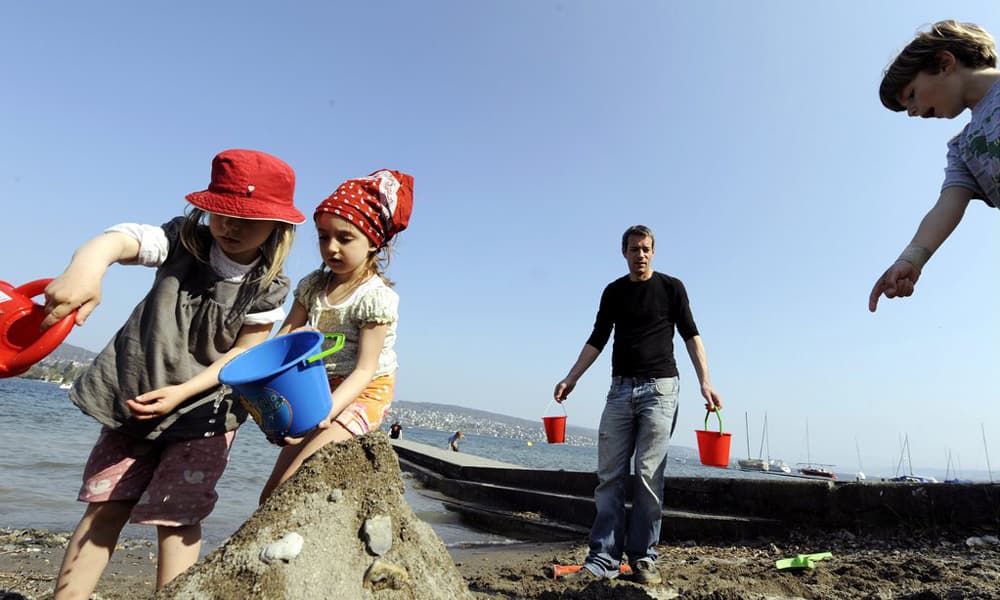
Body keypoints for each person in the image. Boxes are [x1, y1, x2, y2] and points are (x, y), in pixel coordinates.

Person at [41, 149, 303, 598]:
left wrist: (184, 392)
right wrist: (85, 269)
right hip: (136, 400)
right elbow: (118, 240)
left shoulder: (269, 286)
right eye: (221, 213)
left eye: (248, 219)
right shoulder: (182, 241)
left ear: (279, 226)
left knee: (177, 519)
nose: (231, 226)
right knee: (105, 507)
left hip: (204, 414)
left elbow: (241, 357)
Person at [553, 225, 722, 585]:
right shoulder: (613, 292)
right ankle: (602, 558)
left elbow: (692, 335)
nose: (640, 254)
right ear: (624, 252)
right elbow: (598, 338)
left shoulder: (672, 287)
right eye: (634, 249)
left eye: (645, 249)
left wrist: (705, 382)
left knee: (647, 475)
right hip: (619, 391)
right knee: (609, 475)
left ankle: (644, 557)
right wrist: (572, 377)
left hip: (661, 391)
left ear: (654, 251)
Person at [259, 169, 413, 503]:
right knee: (271, 492)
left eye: (345, 238)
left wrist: (324, 413)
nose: (331, 248)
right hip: (316, 384)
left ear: (374, 241)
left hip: (364, 392)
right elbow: (284, 338)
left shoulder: (375, 298)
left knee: (298, 479)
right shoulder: (313, 285)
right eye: (323, 236)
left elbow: (364, 370)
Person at [869, 20, 1000, 312]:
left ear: (944, 63)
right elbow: (946, 207)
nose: (913, 113)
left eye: (912, 95)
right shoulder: (963, 149)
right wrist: (910, 259)